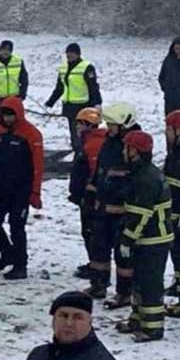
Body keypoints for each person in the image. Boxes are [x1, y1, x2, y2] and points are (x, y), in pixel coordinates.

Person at [115, 131, 173, 342]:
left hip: (153, 240)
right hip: (148, 238)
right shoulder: (142, 173)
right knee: (139, 281)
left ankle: (153, 328)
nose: (123, 151)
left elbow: (140, 215)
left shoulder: (145, 178)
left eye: (127, 148)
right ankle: (138, 319)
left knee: (150, 283)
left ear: (136, 152)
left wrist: (127, 240)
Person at [86, 103, 140, 306]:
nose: (108, 128)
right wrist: (91, 192)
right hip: (102, 206)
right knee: (98, 247)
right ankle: (98, 284)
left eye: (112, 125)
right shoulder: (110, 142)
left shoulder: (134, 145)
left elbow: (136, 179)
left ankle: (124, 292)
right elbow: (100, 168)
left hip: (121, 210)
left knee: (123, 254)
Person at [0, 97, 44, 280]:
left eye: (10, 115)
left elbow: (38, 165)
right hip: (0, 188)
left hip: (21, 190)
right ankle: (7, 252)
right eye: (4, 115)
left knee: (16, 227)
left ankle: (21, 265)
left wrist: (35, 192)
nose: (7, 119)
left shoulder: (31, 134)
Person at [69, 108, 107, 280]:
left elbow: (93, 172)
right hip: (86, 196)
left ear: (87, 125)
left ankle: (96, 265)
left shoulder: (93, 144)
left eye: (79, 123)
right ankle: (95, 263)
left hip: (91, 198)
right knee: (90, 232)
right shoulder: (89, 142)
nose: (76, 127)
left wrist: (88, 193)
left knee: (91, 232)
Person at [46, 43, 103, 153]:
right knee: (74, 136)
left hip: (83, 107)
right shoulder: (63, 68)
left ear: (78, 54)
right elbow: (60, 87)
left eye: (72, 53)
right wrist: (51, 102)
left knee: (86, 135)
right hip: (69, 107)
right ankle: (78, 155)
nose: (69, 55)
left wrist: (97, 103)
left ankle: (88, 154)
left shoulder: (86, 67)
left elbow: (93, 87)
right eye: (68, 52)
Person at [164, 110, 180, 303]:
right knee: (177, 251)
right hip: (174, 211)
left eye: (169, 129)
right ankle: (179, 284)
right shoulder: (176, 151)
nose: (166, 133)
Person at [159, 36, 180, 115]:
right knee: (170, 122)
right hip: (170, 99)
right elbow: (161, 76)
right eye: (175, 44)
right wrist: (166, 88)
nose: (177, 47)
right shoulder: (168, 59)